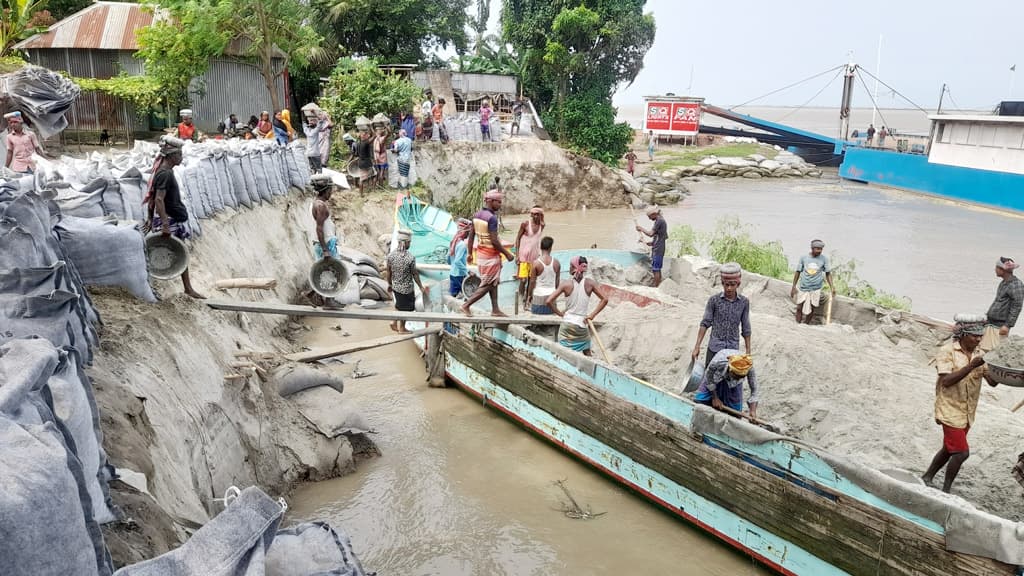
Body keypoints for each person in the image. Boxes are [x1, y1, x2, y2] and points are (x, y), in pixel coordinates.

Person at [921, 314, 997, 492]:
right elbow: (946, 381)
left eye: (980, 336)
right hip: (949, 409)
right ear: (963, 335)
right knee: (962, 453)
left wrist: (1004, 373)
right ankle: (946, 490)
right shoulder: (947, 351)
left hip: (967, 412)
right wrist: (971, 366)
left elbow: (992, 382)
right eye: (974, 336)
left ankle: (927, 476)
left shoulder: (980, 354)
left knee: (949, 449)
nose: (978, 339)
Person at [142, 136, 204, 299]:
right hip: (170, 220)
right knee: (174, 252)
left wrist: (150, 217)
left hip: (170, 219)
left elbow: (153, 196)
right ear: (171, 156)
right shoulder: (165, 174)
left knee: (179, 251)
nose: (181, 158)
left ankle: (187, 287)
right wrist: (164, 224)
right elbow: (158, 199)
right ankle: (186, 288)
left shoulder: (163, 171)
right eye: (179, 154)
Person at [461, 190, 515, 317]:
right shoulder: (492, 218)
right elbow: (494, 241)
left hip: (481, 255)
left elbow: (471, 236)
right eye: (498, 202)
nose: (500, 205)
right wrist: (507, 254)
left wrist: (469, 253)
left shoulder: (476, 215)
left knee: (493, 282)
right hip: (490, 255)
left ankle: (495, 309)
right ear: (490, 201)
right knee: (488, 284)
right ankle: (466, 305)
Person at [546, 256, 609, 356]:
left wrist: (560, 314)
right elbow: (605, 299)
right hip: (582, 326)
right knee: (587, 352)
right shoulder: (590, 283)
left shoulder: (565, 284)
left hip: (567, 325)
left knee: (562, 353)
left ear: (575, 267)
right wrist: (592, 315)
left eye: (571, 265)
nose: (569, 268)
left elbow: (549, 301)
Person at [691, 263, 752, 367]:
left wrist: (748, 352)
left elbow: (746, 328)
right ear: (722, 283)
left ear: (738, 284)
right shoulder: (714, 301)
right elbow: (705, 323)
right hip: (714, 349)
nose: (729, 288)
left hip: (732, 351)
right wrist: (697, 347)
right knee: (709, 380)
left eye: (732, 285)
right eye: (726, 284)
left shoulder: (744, 303)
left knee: (728, 381)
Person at [694, 349, 758, 422]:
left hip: (733, 385)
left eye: (741, 377)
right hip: (715, 378)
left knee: (735, 414)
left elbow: (754, 390)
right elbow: (709, 377)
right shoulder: (719, 361)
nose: (738, 378)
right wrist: (715, 397)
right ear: (730, 370)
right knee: (700, 403)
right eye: (736, 376)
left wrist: (752, 410)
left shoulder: (748, 367)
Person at [387, 229, 429, 333]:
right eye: (409, 242)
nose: (410, 244)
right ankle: (402, 328)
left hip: (396, 287)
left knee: (399, 305)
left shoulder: (391, 256)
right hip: (407, 289)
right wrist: (420, 286)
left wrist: (389, 284)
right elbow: (414, 274)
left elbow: (389, 272)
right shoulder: (410, 258)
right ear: (404, 242)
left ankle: (393, 321)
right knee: (406, 309)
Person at [790, 239, 836, 324]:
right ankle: (797, 324)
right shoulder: (804, 258)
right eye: (817, 249)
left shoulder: (824, 259)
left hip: (816, 288)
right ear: (812, 248)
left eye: (821, 249)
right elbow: (798, 272)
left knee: (812, 308)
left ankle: (806, 324)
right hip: (804, 287)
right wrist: (793, 286)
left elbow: (828, 274)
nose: (819, 251)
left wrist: (832, 287)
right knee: (799, 307)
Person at [983, 257, 1023, 350]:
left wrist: (1007, 325)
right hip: (992, 323)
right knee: (986, 349)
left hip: (1000, 325)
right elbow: (1000, 301)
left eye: (996, 267)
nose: (995, 270)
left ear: (1003, 269)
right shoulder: (1004, 283)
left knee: (995, 350)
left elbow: (1017, 306)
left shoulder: (1016, 284)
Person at [515, 206, 545, 308]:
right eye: (534, 214)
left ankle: (527, 300)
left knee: (531, 281)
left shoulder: (542, 225)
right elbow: (518, 239)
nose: (535, 216)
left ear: (541, 215)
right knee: (523, 280)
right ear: (531, 214)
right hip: (523, 257)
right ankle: (520, 299)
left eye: (538, 214)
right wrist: (517, 255)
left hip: (535, 257)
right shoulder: (525, 224)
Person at [636, 205, 667, 287]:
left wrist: (641, 228)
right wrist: (645, 242)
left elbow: (650, 234)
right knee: (656, 269)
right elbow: (658, 238)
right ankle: (658, 284)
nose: (649, 219)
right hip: (658, 247)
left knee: (656, 269)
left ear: (654, 214)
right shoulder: (659, 221)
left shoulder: (660, 221)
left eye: (649, 216)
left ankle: (657, 287)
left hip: (658, 249)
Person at [529, 236, 560, 314]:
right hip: (552, 299)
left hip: (538, 298)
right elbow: (557, 282)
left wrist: (529, 295)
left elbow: (532, 282)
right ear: (550, 248)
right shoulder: (556, 263)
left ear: (540, 247)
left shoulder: (536, 263)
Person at [310, 174, 338, 260]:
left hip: (325, 243)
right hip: (326, 244)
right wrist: (325, 250)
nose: (331, 192)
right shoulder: (320, 206)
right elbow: (319, 228)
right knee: (333, 271)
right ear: (326, 190)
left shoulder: (316, 203)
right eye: (330, 190)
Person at [448, 218, 472, 298]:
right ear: (464, 232)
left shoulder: (453, 242)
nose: (468, 234)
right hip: (459, 275)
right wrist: (467, 271)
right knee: (466, 295)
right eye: (468, 232)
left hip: (452, 274)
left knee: (453, 295)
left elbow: (448, 259)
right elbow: (457, 262)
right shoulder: (462, 245)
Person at [353, 130, 374, 194]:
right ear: (364, 136)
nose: (368, 136)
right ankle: (372, 189)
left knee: (362, 178)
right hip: (366, 163)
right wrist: (371, 127)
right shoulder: (365, 143)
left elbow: (356, 154)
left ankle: (361, 193)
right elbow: (374, 136)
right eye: (366, 135)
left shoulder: (358, 143)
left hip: (361, 162)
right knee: (374, 175)